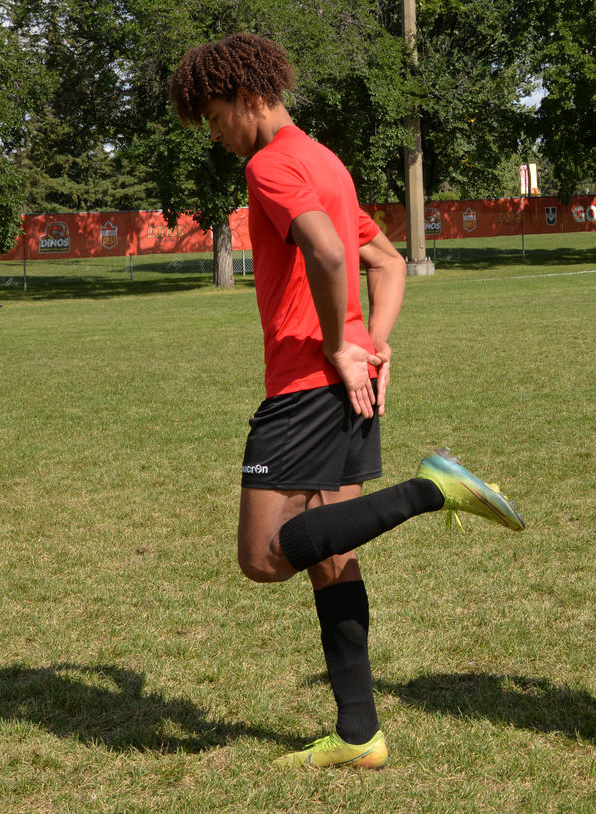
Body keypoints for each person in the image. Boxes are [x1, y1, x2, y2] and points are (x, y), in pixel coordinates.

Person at [168, 33, 525, 769]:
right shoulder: (323, 159)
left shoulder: (270, 165)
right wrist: (371, 339)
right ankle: (360, 734)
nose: (214, 134)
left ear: (244, 95)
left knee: (265, 558)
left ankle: (433, 490)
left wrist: (337, 343)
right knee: (333, 556)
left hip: (306, 385)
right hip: (348, 382)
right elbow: (386, 259)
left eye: (210, 116)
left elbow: (331, 254)